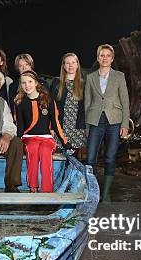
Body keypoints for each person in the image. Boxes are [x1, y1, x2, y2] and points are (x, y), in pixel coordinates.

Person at [84, 44, 130, 202]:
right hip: (95, 120)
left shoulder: (119, 76)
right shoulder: (90, 78)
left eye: (108, 55)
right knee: (90, 158)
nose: (105, 58)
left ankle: (106, 193)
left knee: (110, 157)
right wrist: (87, 126)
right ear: (98, 58)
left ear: (112, 58)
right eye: (102, 55)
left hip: (114, 121)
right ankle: (94, 192)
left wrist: (125, 124)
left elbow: (125, 101)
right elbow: (87, 103)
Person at [15, 70, 71, 193]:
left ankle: (47, 190)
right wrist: (17, 142)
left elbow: (56, 124)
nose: (27, 85)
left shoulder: (48, 100)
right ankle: (33, 187)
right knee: (33, 149)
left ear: (36, 83)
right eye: (23, 83)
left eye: (30, 82)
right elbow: (20, 127)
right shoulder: (20, 103)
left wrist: (65, 141)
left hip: (46, 138)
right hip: (29, 138)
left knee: (45, 151)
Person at [49, 53, 86, 153]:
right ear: (64, 66)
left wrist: (86, 127)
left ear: (77, 65)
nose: (71, 65)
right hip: (60, 127)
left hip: (77, 129)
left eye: (73, 62)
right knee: (59, 158)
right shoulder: (56, 82)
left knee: (74, 160)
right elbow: (51, 107)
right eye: (67, 63)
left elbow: (86, 108)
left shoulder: (84, 83)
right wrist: (52, 127)